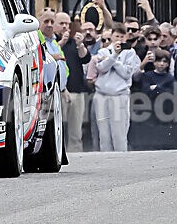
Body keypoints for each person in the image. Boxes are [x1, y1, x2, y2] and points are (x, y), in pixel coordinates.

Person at [91, 23, 139, 152]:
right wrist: (113, 56)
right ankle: (105, 161)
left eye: (122, 36)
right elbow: (101, 68)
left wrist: (114, 59)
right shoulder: (103, 51)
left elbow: (126, 73)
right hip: (101, 95)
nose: (119, 39)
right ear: (111, 36)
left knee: (119, 133)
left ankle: (121, 161)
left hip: (119, 95)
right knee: (104, 134)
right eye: (116, 36)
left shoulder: (130, 52)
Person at [56, 13, 91, 153]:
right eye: (61, 23)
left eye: (67, 24)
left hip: (76, 90)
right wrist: (61, 44)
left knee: (76, 130)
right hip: (59, 91)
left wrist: (80, 45)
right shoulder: (52, 43)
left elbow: (86, 59)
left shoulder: (74, 43)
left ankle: (76, 154)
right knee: (58, 128)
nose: (65, 26)